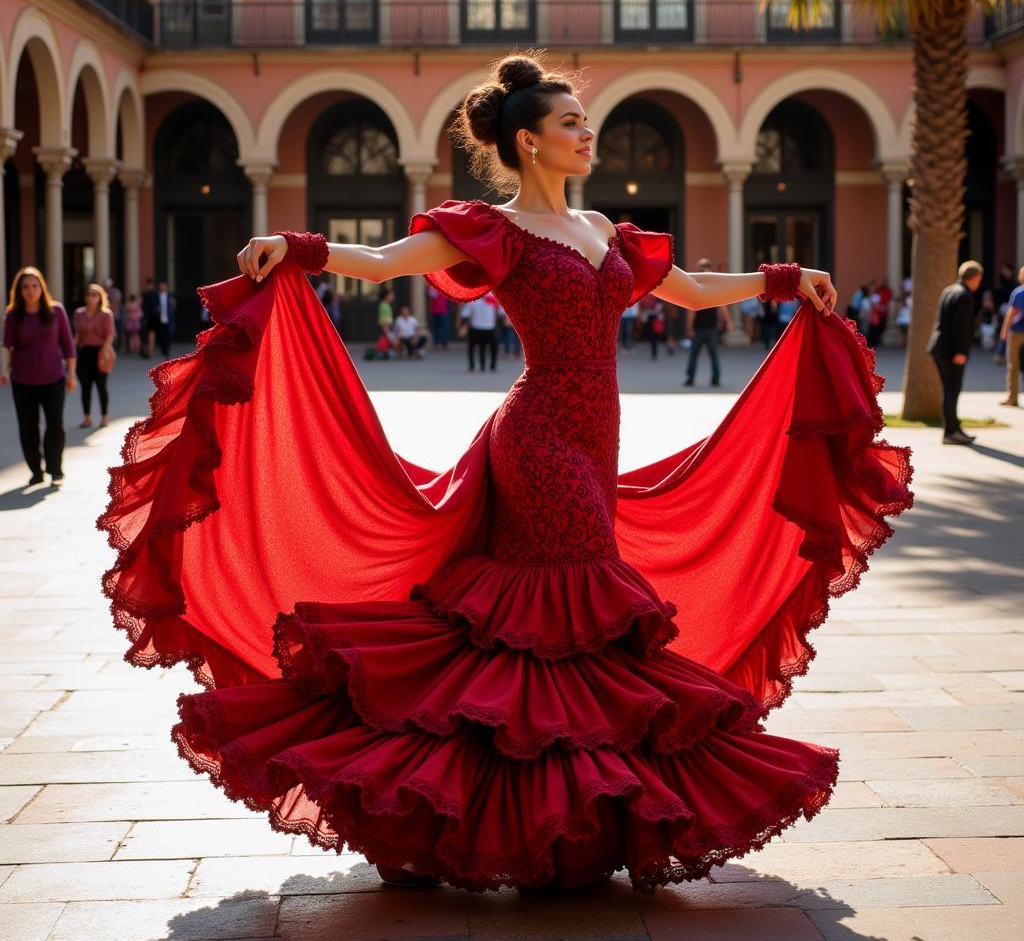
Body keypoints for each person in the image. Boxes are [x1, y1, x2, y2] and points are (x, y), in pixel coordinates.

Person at [98, 52, 914, 896]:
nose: (586, 133)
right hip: (538, 440)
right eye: (570, 123)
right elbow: (382, 263)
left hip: (596, 439)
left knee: (548, 626)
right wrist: (297, 247)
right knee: (561, 608)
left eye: (582, 121)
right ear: (528, 142)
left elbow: (695, 291)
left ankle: (511, 814)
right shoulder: (491, 229)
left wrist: (787, 280)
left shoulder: (605, 230)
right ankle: (534, 820)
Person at [1, 266, 76, 486]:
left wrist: (72, 374)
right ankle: (36, 469)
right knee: (28, 426)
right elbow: (7, 345)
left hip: (54, 377)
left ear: (41, 287)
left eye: (34, 286)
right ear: (19, 290)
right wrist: (4, 370)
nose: (30, 290)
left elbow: (68, 344)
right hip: (23, 379)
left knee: (55, 424)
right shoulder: (13, 314)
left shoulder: (57, 311)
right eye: (25, 287)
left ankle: (55, 468)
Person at [926, 260, 983, 444]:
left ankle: (954, 428)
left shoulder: (949, 290)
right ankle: (951, 432)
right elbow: (960, 327)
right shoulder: (965, 296)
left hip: (939, 346)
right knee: (952, 389)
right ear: (974, 278)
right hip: (951, 350)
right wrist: (960, 351)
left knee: (949, 389)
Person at [72, 282, 116, 428]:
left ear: (100, 297)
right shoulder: (79, 313)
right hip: (84, 353)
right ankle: (87, 418)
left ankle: (104, 417)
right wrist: (71, 349)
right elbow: (77, 334)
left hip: (100, 352)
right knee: (85, 387)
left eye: (94, 294)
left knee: (101, 386)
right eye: (88, 294)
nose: (91, 297)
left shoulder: (106, 314)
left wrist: (105, 350)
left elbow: (110, 335)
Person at [683, 258, 731, 387]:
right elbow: (722, 305)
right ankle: (715, 379)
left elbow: (691, 308)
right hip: (711, 327)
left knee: (694, 354)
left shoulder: (696, 283)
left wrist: (689, 326)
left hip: (699, 327)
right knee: (713, 355)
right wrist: (728, 321)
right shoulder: (715, 285)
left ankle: (690, 378)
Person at [998, 266, 1024, 407]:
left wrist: (1004, 331)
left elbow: (1011, 314)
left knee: (1013, 366)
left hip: (1017, 332)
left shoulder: (1018, 293)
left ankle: (1012, 398)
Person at [459, 292, 499, 371]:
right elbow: (466, 313)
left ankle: (492, 366)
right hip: (476, 327)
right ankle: (472, 365)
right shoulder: (473, 298)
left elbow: (500, 310)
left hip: (490, 327)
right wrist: (463, 326)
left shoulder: (493, 297)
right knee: (474, 347)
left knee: (493, 347)